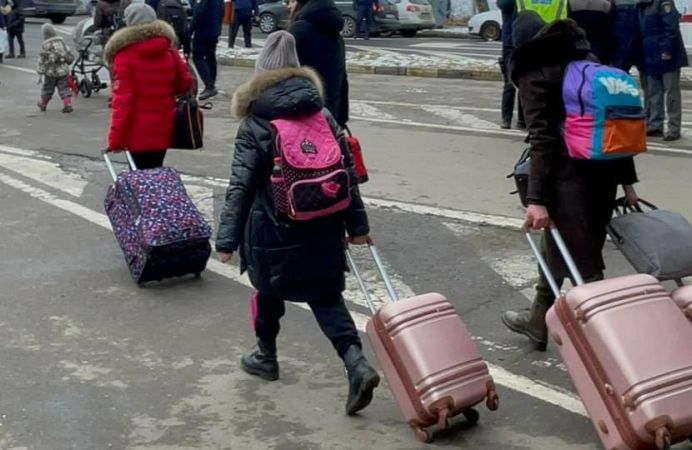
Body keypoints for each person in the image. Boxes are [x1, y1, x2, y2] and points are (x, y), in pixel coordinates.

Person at [216, 30, 380, 416]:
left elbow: (240, 186)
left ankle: (266, 355)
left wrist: (225, 241)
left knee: (267, 291)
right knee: (325, 298)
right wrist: (358, 227)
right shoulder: (323, 115)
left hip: (272, 230)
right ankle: (356, 363)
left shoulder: (256, 122)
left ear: (261, 72)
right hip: (324, 227)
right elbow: (348, 176)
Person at [501, 12, 639, 352]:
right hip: (603, 173)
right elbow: (613, 122)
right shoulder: (585, 57)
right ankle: (538, 321)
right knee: (559, 244)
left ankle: (613, 347)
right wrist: (627, 182)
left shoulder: (534, 69)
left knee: (584, 263)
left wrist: (536, 200)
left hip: (568, 179)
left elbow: (543, 139)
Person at [104, 3, 193, 168]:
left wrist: (115, 140)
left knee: (138, 177)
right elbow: (185, 84)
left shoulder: (125, 55)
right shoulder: (169, 51)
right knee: (155, 173)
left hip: (136, 133)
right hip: (163, 128)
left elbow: (122, 102)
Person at [290, 0, 349, 127]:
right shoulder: (336, 36)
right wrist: (340, 121)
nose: (289, 6)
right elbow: (342, 82)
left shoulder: (298, 32)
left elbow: (280, 75)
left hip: (301, 116)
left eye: (292, 1)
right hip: (330, 118)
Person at [639, 0, 688, 141]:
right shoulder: (642, 5)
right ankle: (655, 125)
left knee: (671, 93)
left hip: (667, 56)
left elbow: (671, 27)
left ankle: (674, 128)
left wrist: (668, 50)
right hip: (651, 55)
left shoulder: (663, 3)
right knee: (654, 93)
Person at [497, 0, 525, 129]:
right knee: (509, 83)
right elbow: (503, 4)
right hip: (510, 42)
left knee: (524, 81)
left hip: (523, 40)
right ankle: (506, 119)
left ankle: (522, 119)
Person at [37, 24, 75, 113]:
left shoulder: (46, 45)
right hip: (63, 71)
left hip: (50, 72)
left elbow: (42, 60)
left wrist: (40, 71)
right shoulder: (61, 43)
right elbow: (68, 55)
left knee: (47, 88)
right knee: (64, 88)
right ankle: (68, 104)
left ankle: (43, 104)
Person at [190, 0, 223, 100]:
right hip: (214, 29)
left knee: (197, 56)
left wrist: (190, 30)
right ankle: (211, 84)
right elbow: (222, 11)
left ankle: (209, 86)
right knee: (210, 56)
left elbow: (199, 12)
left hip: (203, 30)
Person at [568, 0, 615, 64]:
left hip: (576, 49)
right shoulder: (606, 5)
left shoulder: (570, 3)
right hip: (598, 50)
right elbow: (609, 33)